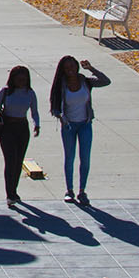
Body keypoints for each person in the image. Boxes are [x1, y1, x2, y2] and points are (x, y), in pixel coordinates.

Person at [49, 55, 112, 206]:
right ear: (63, 70)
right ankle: (69, 190)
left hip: (85, 124)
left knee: (85, 158)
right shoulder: (61, 85)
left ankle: (82, 191)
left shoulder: (85, 82)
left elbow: (106, 81)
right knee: (69, 158)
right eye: (67, 67)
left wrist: (90, 68)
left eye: (73, 66)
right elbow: (55, 107)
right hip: (69, 126)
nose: (70, 70)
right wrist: (61, 117)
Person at [0, 65, 41, 208]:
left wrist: (36, 124)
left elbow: (34, 111)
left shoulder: (30, 93)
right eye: (18, 79)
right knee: (10, 160)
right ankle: (10, 194)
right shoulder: (6, 92)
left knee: (18, 161)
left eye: (24, 79)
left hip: (22, 128)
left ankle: (14, 190)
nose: (21, 81)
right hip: (7, 127)